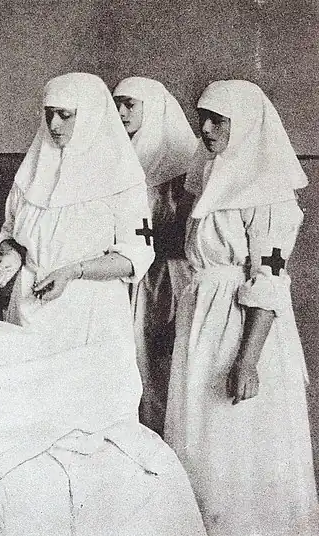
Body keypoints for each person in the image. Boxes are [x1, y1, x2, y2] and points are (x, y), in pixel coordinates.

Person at [164, 80, 319, 535]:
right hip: (204, 322)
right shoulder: (212, 182)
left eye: (218, 120)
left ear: (248, 125)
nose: (205, 129)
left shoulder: (271, 196)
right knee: (201, 434)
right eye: (202, 119)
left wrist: (248, 360)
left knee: (238, 437)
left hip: (241, 328)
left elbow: (269, 279)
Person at [0, 72, 154, 351]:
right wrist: (12, 255)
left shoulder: (122, 179)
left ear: (90, 115)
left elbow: (134, 257)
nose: (53, 124)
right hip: (29, 305)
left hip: (89, 312)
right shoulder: (31, 175)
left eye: (65, 115)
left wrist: (73, 271)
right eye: (49, 114)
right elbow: (10, 233)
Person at [112, 77, 198, 434]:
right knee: (131, 361)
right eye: (117, 104)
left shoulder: (186, 165)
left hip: (169, 278)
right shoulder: (119, 158)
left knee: (163, 359)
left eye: (130, 104)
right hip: (129, 276)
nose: (121, 112)